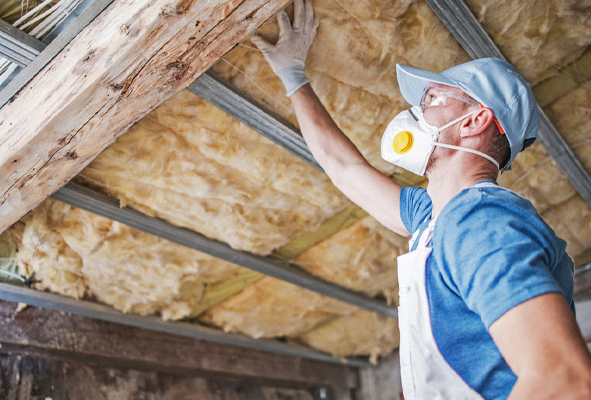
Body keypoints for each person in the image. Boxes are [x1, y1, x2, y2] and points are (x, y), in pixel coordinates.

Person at [251, 0, 591, 398]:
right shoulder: (436, 220)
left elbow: (565, 380)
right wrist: (293, 77)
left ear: (475, 120)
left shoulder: (480, 222)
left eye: (431, 100)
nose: (415, 112)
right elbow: (344, 168)